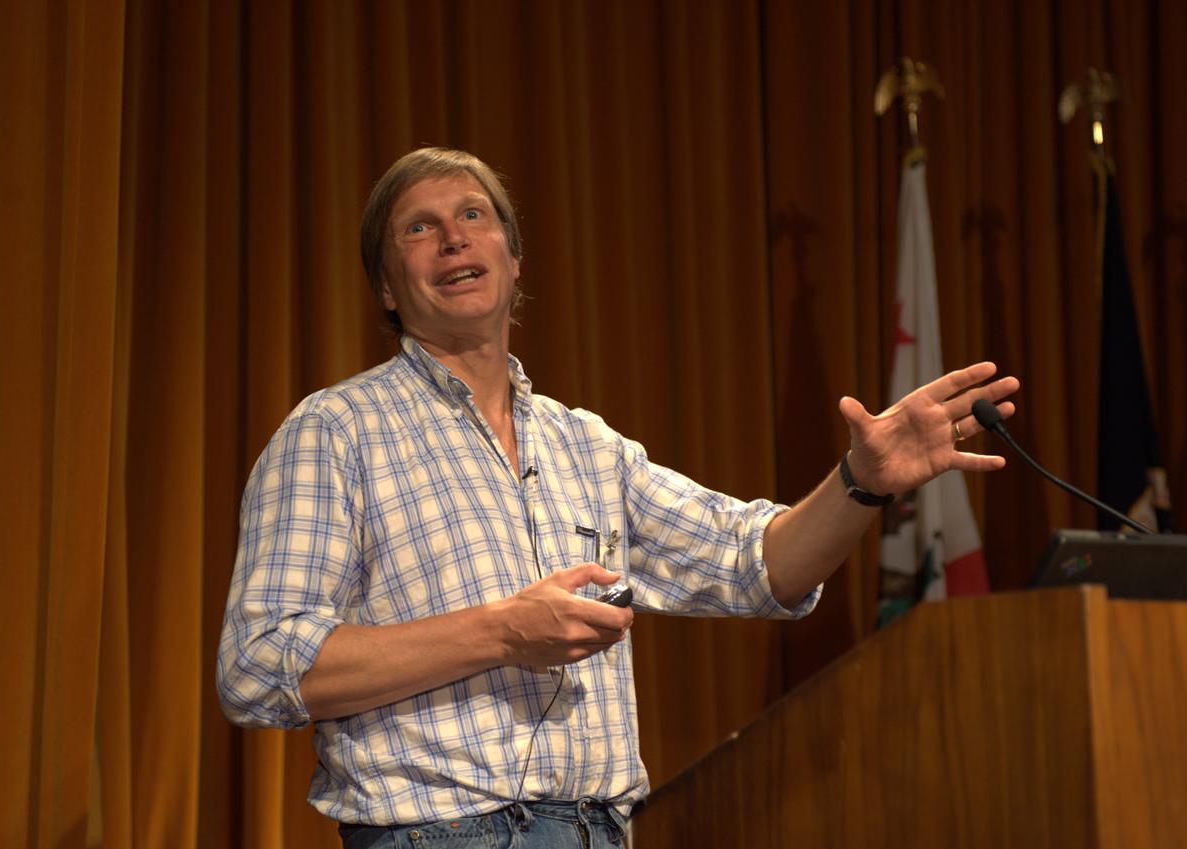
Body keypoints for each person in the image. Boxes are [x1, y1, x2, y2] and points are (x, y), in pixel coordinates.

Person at [216, 147, 1019, 847]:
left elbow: (756, 563)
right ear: (388, 289)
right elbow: (258, 663)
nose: (453, 236)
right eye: (418, 228)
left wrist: (860, 483)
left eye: (473, 215)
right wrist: (501, 631)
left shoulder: (587, 445)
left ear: (514, 259)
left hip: (602, 830)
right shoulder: (336, 431)